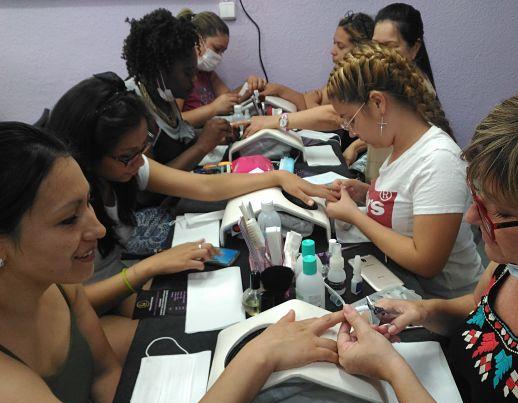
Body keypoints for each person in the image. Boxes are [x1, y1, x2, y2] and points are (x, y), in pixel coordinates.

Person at [0, 121, 344, 403]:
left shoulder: (61, 287)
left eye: (88, 203)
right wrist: (257, 358)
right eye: (68, 219)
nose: (99, 229)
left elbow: (105, 375)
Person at [336, 71, 518, 403]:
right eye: (478, 199)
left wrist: (394, 370)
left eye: (503, 214)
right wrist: (426, 311)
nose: (474, 220)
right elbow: (478, 308)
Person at [45, 73, 336, 360]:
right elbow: (67, 302)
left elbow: (205, 186)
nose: (138, 162)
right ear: (88, 155)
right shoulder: (64, 208)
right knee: (186, 339)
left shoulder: (124, 164)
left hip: (119, 284)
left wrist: (276, 177)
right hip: (86, 308)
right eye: (128, 156)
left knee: (219, 314)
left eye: (142, 149)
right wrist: (148, 268)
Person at [326, 42, 482, 298]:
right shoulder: (400, 146)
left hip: (445, 304)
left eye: (350, 120)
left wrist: (355, 216)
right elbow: (408, 205)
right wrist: (365, 193)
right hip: (406, 286)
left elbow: (426, 261)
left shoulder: (438, 160)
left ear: (378, 103)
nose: (351, 132)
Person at [122, 8, 232, 171]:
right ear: (160, 68)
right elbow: (148, 186)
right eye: (188, 73)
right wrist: (202, 146)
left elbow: (178, 142)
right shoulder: (132, 109)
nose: (194, 80)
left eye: (195, 72)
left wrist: (212, 136)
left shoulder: (164, 93)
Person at [240, 12, 374, 142]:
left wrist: (276, 120)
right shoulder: (340, 75)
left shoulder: (364, 82)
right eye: (334, 43)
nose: (332, 51)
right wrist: (279, 90)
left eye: (340, 46)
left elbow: (332, 117)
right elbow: (308, 104)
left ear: (360, 50)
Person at [344, 2, 437, 167]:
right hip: (377, 185)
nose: (378, 53)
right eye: (375, 44)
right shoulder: (386, 81)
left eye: (389, 46)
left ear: (415, 48)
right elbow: (382, 130)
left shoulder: (415, 94)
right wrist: (356, 146)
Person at [176, 9, 267, 127]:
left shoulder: (208, 74)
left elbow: (231, 100)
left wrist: (248, 86)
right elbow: (174, 122)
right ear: (196, 40)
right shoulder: (179, 76)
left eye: (222, 51)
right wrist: (213, 109)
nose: (219, 56)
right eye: (216, 49)